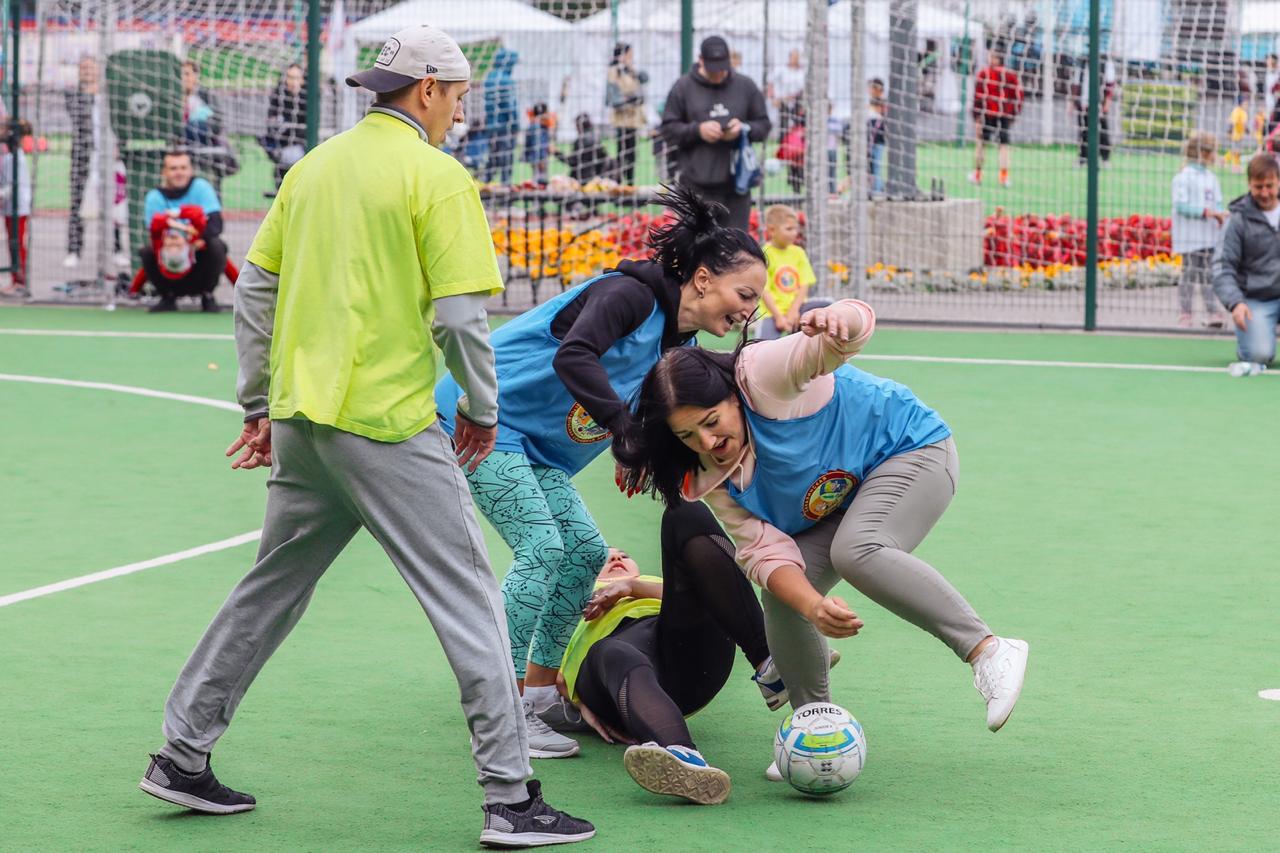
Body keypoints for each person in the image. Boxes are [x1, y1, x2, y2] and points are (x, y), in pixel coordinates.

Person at [136, 26, 594, 848]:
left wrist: (256, 404)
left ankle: (181, 752)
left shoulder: (311, 168)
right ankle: (510, 797)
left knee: (269, 588)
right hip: (386, 424)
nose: (457, 111)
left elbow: (254, 296)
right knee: (469, 599)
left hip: (302, 422)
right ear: (426, 90)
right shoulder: (437, 177)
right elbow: (461, 316)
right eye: (454, 96)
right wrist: (483, 409)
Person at [615, 301, 1031, 776]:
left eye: (712, 421)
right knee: (784, 594)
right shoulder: (707, 472)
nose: (708, 442)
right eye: (689, 436)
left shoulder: (761, 373)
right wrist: (812, 605)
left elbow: (842, 341)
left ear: (732, 393)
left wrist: (839, 318)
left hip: (911, 450)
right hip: (846, 495)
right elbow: (765, 555)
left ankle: (988, 650)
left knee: (858, 550)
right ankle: (812, 722)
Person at [434, 186, 765, 761]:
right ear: (705, 278)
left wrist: (638, 449)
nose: (748, 309)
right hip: (480, 419)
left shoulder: (675, 340)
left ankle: (539, 697)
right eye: (744, 292)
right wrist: (622, 428)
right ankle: (501, 709)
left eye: (755, 300)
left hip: (537, 447)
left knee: (584, 553)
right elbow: (575, 355)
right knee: (541, 548)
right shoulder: (628, 294)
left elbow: (645, 406)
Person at [555, 502, 779, 805]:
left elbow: (701, 592)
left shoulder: (647, 585)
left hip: (682, 655)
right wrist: (570, 698)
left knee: (684, 512)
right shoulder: (570, 599)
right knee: (615, 651)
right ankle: (684, 755)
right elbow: (540, 664)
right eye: (606, 557)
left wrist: (630, 587)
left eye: (623, 555)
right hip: (611, 678)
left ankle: (768, 661)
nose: (617, 557)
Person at [661, 36, 771, 231]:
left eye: (723, 67)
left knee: (735, 250)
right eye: (714, 68)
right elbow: (668, 129)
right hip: (695, 186)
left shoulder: (745, 86)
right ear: (701, 60)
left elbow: (764, 125)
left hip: (736, 187)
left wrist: (743, 129)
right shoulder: (683, 87)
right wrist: (698, 130)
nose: (719, 73)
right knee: (696, 251)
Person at [1213, 154, 1280, 377]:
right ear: (1249, 184)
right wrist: (1235, 303)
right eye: (1258, 187)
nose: (1264, 193)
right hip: (1255, 299)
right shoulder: (1237, 219)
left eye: (1269, 186)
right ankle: (1254, 338)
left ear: (1278, 182)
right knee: (1259, 355)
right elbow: (1223, 267)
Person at [139, 150, 226, 312]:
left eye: (183, 168)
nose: (179, 172)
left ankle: (207, 295)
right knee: (147, 252)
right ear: (164, 172)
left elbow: (216, 225)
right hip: (170, 251)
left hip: (198, 253)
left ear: (190, 170)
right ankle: (167, 296)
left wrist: (193, 242)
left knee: (217, 246)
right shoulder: (154, 197)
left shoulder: (202, 188)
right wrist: (176, 241)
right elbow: (155, 231)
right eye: (173, 168)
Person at [1172, 132, 1228, 328]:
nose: (1216, 155)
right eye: (1214, 151)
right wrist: (1207, 213)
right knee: (1189, 274)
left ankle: (1213, 313)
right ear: (1204, 153)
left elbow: (1218, 203)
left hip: (1208, 238)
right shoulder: (1183, 177)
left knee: (1208, 275)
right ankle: (1185, 313)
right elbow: (1181, 206)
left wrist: (1221, 214)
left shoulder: (1211, 178)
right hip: (1189, 238)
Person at [756, 204, 819, 341]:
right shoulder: (765, 254)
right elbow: (764, 291)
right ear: (772, 230)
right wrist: (778, 317)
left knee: (829, 305)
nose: (794, 233)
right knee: (761, 347)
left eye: (796, 228)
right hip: (772, 313)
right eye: (789, 229)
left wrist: (794, 311)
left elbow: (804, 285)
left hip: (797, 310)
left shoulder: (798, 252)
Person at [65, 55, 100, 269]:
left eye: (90, 67)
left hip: (106, 156)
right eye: (83, 67)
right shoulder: (73, 94)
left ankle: (115, 248)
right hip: (82, 155)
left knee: (113, 202)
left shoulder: (109, 95)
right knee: (77, 204)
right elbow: (80, 118)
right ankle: (74, 250)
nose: (86, 71)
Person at [969, 49, 1022, 187]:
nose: (990, 59)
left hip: (992, 114)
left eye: (992, 56)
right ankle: (982, 175)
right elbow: (1017, 97)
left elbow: (978, 97)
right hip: (998, 115)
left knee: (989, 145)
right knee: (991, 145)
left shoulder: (987, 74)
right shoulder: (1007, 75)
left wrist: (977, 116)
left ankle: (995, 176)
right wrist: (1013, 113)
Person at [606, 42, 648, 186]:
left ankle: (630, 183)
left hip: (633, 119)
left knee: (632, 154)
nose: (632, 57)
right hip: (621, 119)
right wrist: (629, 98)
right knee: (622, 153)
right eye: (629, 54)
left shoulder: (631, 70)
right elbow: (612, 97)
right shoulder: (613, 71)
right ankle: (618, 182)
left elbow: (645, 78)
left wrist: (630, 68)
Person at [260, 63, 307, 188]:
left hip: (302, 148)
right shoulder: (278, 97)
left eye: (296, 78)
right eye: (290, 77)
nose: (293, 82)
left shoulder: (308, 97)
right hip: (282, 146)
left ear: (302, 80)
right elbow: (271, 124)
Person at [0, 119, 31, 299]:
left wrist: (2, 195)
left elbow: (11, 186)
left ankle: (19, 281)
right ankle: (16, 280)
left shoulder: (14, 157)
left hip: (17, 208)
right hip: (12, 207)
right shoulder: (11, 156)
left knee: (16, 244)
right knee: (14, 243)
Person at [482, 48, 519, 185]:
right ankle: (506, 186)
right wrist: (516, 124)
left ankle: (485, 183)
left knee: (492, 157)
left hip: (491, 126)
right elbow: (510, 106)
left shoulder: (489, 78)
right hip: (505, 126)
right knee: (506, 158)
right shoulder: (506, 80)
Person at [1073, 56, 1116, 167]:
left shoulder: (1106, 63)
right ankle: (1083, 158)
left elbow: (1110, 84)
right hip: (1084, 103)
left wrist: (1106, 102)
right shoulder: (1081, 63)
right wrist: (1073, 102)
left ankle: (1105, 159)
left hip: (1099, 104)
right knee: (1084, 132)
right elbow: (1076, 84)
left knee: (1102, 132)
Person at [556, 113, 614, 184]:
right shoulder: (597, 139)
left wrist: (556, 153)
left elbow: (571, 162)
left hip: (581, 180)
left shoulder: (580, 141)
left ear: (579, 126)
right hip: (596, 179)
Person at [769, 49, 806, 136]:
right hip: (783, 101)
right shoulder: (782, 70)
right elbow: (770, 82)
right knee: (784, 125)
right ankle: (783, 143)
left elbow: (804, 89)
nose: (795, 59)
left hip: (797, 102)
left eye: (797, 57)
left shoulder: (802, 72)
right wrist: (773, 98)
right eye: (793, 57)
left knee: (799, 123)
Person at [522, 102, 554, 187]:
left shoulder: (532, 126)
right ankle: (539, 197)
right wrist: (542, 158)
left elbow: (527, 143)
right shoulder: (541, 128)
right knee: (541, 179)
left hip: (534, 158)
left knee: (536, 177)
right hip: (540, 158)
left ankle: (537, 195)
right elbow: (540, 145)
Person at [867, 79, 887, 194]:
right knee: (872, 166)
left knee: (876, 166)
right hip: (872, 140)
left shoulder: (881, 105)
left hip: (877, 141)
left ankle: (877, 190)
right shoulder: (872, 104)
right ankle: (873, 188)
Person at [1227, 96, 1250, 174]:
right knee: (1236, 151)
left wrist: (1247, 131)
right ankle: (1234, 167)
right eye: (1245, 103)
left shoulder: (1243, 112)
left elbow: (1244, 124)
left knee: (1237, 151)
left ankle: (1232, 164)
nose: (1247, 105)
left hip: (1240, 135)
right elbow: (1232, 122)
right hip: (1235, 135)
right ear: (1241, 103)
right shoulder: (1237, 111)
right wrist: (1229, 132)